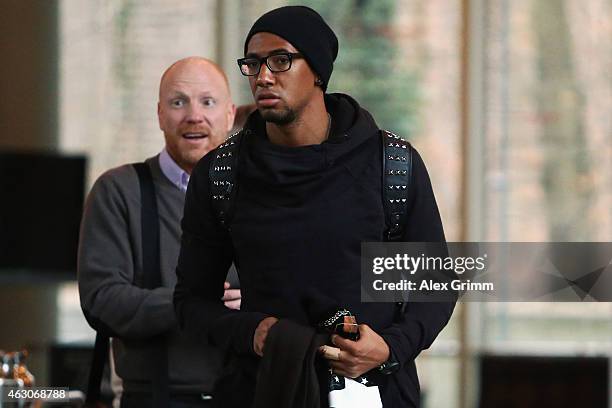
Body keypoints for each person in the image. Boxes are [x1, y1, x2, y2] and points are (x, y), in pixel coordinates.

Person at [174, 6, 455, 408]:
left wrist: (390, 348)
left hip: (374, 391)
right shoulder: (221, 173)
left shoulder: (390, 163)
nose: (263, 77)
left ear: (319, 71)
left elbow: (435, 285)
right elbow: (191, 302)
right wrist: (248, 332)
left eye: (281, 60)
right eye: (252, 64)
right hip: (260, 388)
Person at [78, 57, 242, 407]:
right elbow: (101, 300)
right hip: (155, 399)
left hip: (249, 396)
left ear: (229, 115)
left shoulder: (260, 195)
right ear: (160, 115)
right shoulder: (119, 190)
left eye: (207, 102)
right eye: (178, 102)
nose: (194, 115)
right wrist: (189, 303)